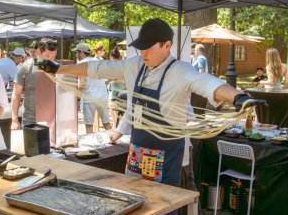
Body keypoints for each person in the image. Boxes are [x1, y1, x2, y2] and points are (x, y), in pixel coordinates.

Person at [35, 18, 265, 192]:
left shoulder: (181, 71)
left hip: (168, 159)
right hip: (137, 154)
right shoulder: (134, 65)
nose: (142, 52)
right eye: (141, 47)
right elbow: (95, 68)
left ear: (167, 45)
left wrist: (238, 97)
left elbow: (208, 83)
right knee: (136, 201)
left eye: (148, 47)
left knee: (162, 206)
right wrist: (58, 68)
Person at [10, 38, 58, 130]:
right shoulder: (26, 67)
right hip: (30, 120)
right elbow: (16, 94)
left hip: (52, 120)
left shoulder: (58, 69)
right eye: (47, 56)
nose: (51, 60)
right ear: (39, 52)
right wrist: (14, 119)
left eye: (53, 56)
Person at [73, 42, 112, 133]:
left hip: (90, 98)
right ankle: (113, 139)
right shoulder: (97, 61)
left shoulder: (81, 64)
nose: (76, 55)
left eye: (76, 52)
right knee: (106, 123)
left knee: (89, 124)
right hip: (103, 96)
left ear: (81, 53)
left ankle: (91, 143)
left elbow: (82, 84)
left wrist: (77, 98)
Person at [108, 46, 126, 127]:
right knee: (121, 107)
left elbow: (111, 77)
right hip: (122, 86)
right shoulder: (123, 64)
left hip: (114, 86)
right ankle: (119, 124)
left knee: (112, 106)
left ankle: (116, 124)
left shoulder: (111, 65)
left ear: (111, 56)